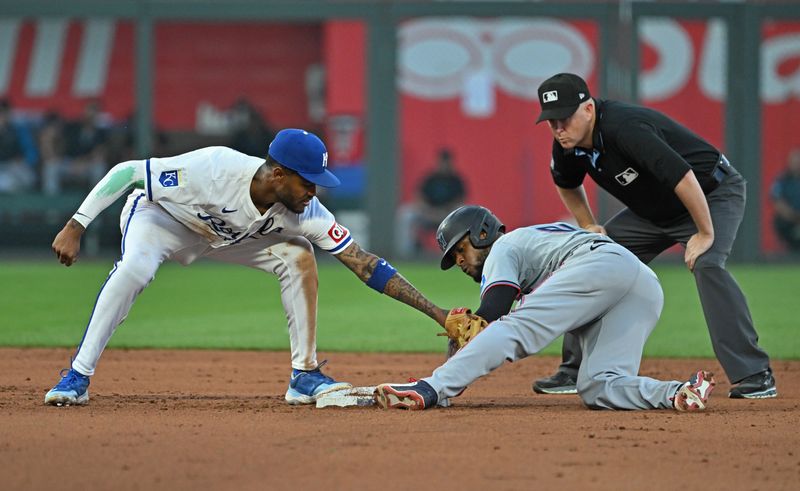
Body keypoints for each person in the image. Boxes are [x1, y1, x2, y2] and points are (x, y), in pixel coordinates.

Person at [45, 128, 448, 407]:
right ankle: (77, 377)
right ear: (277, 174)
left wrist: (439, 314)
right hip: (163, 220)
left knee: (298, 254)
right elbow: (128, 172)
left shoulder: (306, 211)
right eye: (308, 182)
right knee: (136, 268)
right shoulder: (214, 168)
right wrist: (76, 224)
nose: (313, 192)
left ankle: (304, 376)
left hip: (223, 238)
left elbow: (364, 264)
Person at [530, 73, 775, 399]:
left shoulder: (623, 128)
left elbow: (684, 177)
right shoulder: (567, 143)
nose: (559, 127)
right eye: (552, 121)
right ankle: (573, 369)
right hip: (652, 212)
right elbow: (567, 184)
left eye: (565, 117)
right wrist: (589, 224)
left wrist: (703, 232)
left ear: (588, 109)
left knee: (707, 264)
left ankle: (755, 374)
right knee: (592, 259)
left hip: (710, 193)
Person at [374, 205, 716, 412]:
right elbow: (486, 323)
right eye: (453, 258)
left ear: (481, 233)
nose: (460, 260)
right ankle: (677, 393)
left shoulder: (503, 247)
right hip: (640, 285)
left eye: (460, 249)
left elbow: (494, 313)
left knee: (513, 328)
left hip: (599, 265)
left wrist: (446, 378)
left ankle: (429, 389)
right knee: (600, 386)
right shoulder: (528, 246)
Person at [396, 148, 467, 258]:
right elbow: (419, 197)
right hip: (428, 214)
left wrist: (444, 212)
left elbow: (460, 201)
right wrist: (428, 211)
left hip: (448, 216)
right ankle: (406, 254)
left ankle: (458, 251)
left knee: (463, 211)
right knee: (406, 214)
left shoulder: (456, 180)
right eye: (442, 162)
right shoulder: (431, 178)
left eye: (446, 162)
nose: (444, 165)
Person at [0, 99, 37, 193]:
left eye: (3, 113)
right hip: (2, 170)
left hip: (16, 167)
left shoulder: (18, 130)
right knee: (5, 182)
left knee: (28, 178)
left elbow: (32, 153)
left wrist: (23, 160)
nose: (2, 117)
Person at [771, 148, 800, 251]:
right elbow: (777, 200)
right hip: (789, 218)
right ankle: (787, 252)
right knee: (780, 222)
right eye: (794, 161)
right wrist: (792, 216)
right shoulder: (782, 179)